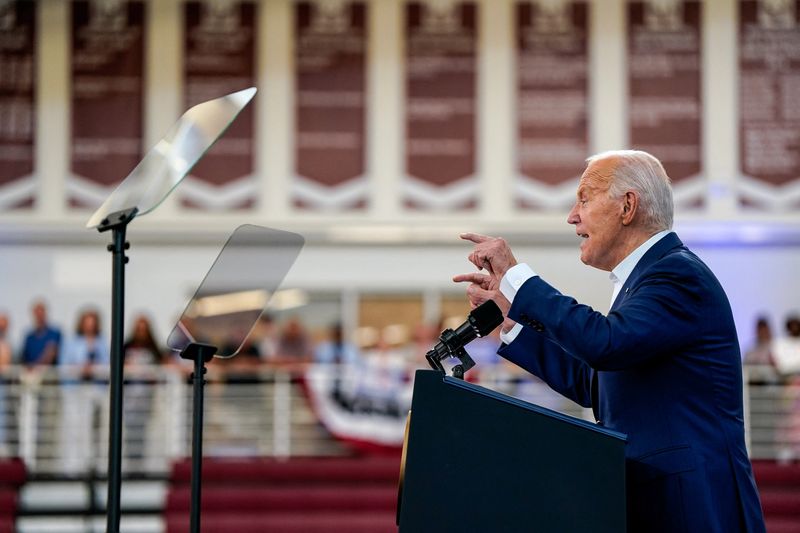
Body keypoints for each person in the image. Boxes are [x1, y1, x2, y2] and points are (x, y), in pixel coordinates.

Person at [454, 150, 765, 532]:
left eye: (584, 198)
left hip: (694, 504)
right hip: (660, 500)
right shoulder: (648, 280)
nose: (572, 215)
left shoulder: (677, 275)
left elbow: (605, 343)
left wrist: (518, 279)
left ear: (627, 206)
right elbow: (595, 383)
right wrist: (510, 319)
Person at [58, 308, 110, 474]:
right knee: (75, 427)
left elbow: (108, 365)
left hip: (96, 390)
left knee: (96, 429)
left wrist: (94, 370)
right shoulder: (72, 342)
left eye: (92, 323)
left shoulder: (102, 342)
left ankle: (94, 463)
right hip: (75, 389)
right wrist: (81, 369)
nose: (89, 327)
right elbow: (63, 366)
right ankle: (73, 466)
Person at [21, 300, 61, 370]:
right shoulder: (29, 337)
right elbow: (24, 358)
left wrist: (36, 368)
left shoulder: (55, 334)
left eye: (41, 313)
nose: (39, 316)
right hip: (31, 376)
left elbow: (51, 354)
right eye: (37, 313)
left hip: (49, 376)